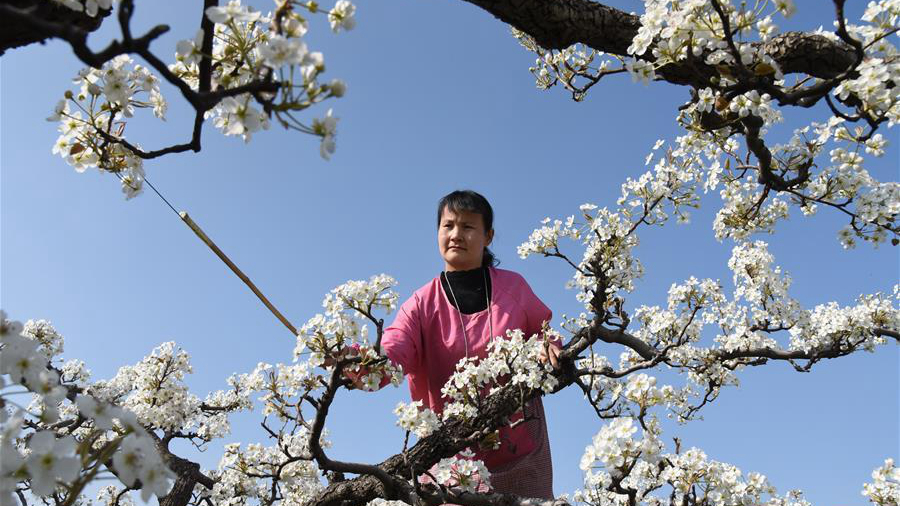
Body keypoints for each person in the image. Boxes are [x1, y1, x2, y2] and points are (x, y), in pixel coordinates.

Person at [380, 189, 559, 498]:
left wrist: (548, 345)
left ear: (487, 236)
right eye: (448, 226)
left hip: (521, 452)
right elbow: (395, 347)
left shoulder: (513, 287)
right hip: (450, 455)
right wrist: (364, 363)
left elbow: (543, 332)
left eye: (467, 227)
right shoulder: (421, 304)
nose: (456, 235)